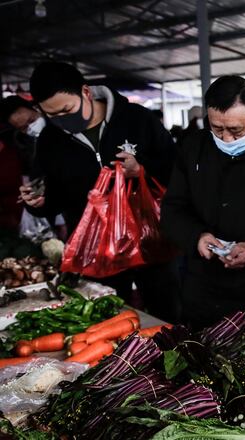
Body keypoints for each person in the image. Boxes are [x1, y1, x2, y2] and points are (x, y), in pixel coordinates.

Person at [22, 61, 180, 322]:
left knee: (167, 312)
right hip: (96, 251)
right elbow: (53, 195)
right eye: (52, 115)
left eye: (67, 110)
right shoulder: (51, 140)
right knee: (107, 321)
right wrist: (38, 202)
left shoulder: (136, 119)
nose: (62, 120)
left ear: (85, 92)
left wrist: (141, 169)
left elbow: (174, 168)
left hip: (150, 240)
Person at [161, 75, 245, 329]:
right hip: (202, 286)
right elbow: (173, 209)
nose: (226, 139)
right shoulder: (193, 147)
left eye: (236, 130)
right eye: (217, 128)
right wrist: (196, 238)